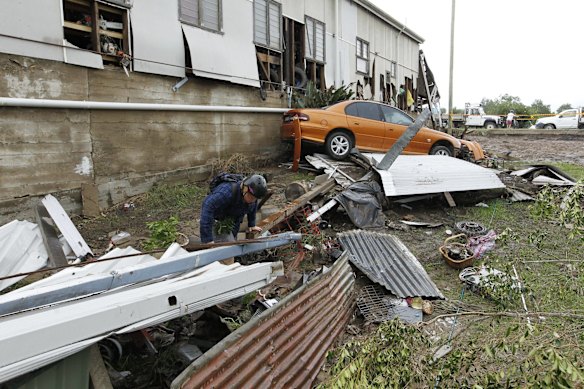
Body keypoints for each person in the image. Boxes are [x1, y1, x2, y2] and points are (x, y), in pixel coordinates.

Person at [199, 174, 267, 244]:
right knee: (226, 248)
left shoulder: (251, 197)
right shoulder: (226, 192)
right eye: (252, 198)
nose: (253, 201)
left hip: (233, 220)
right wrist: (208, 240)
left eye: (255, 199)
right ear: (245, 188)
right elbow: (207, 206)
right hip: (216, 221)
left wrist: (252, 224)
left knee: (232, 241)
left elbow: (253, 206)